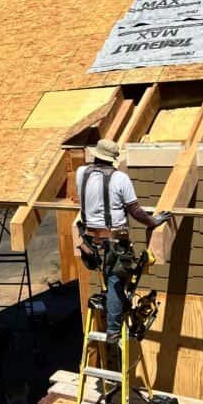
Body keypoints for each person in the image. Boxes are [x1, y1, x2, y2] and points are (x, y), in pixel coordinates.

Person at [76, 138, 171, 345]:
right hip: (114, 239)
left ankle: (112, 308)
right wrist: (153, 222)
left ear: (96, 155)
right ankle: (113, 332)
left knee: (110, 279)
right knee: (116, 284)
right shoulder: (120, 179)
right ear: (112, 159)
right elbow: (135, 211)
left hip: (90, 238)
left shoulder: (81, 173)